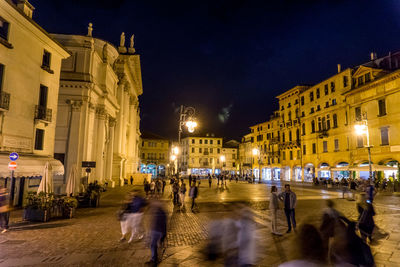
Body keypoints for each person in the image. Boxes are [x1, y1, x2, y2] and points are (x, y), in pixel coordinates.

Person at [146, 201, 167, 266]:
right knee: (153, 245)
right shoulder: (160, 212)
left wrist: (163, 234)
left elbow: (161, 224)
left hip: (157, 231)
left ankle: (154, 260)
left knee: (153, 245)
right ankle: (155, 258)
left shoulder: (159, 213)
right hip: (157, 231)